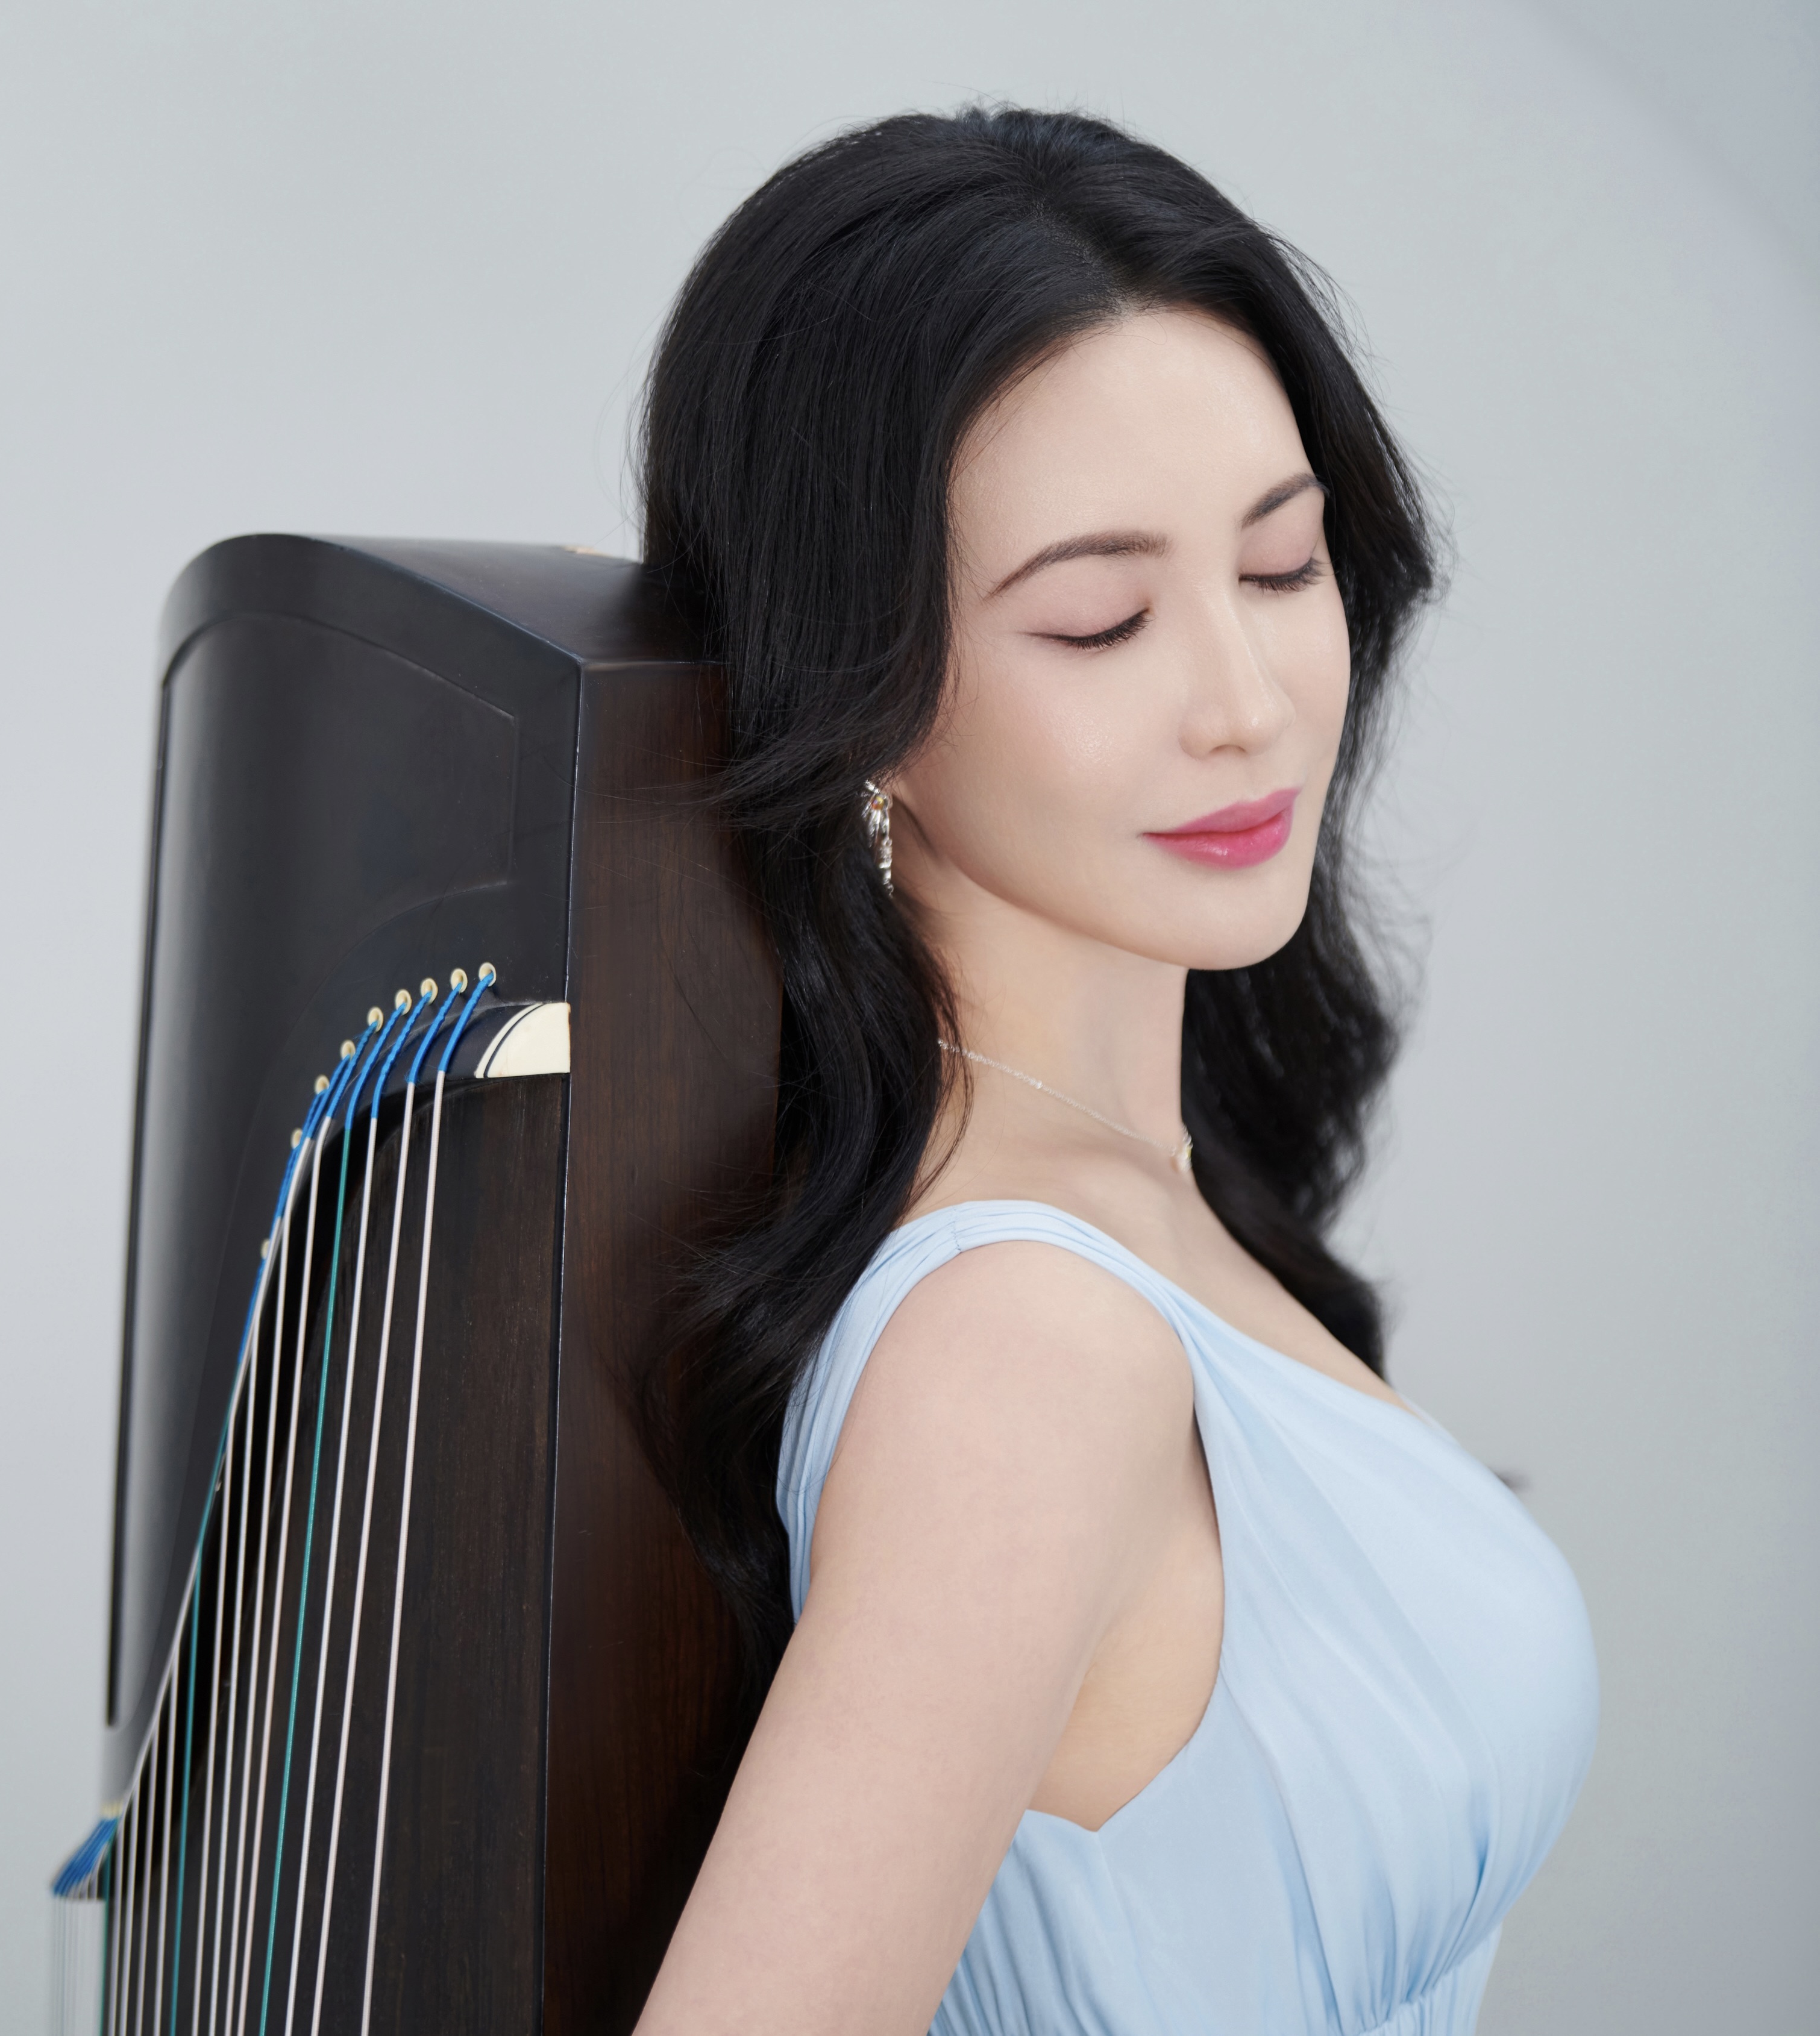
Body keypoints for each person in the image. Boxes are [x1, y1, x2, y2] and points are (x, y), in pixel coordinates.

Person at [632, 106, 1598, 2036]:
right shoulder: (1025, 1343)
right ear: (862, 697)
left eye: (1279, 563)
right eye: (1098, 615)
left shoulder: (1140, 1210)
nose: (1245, 702)